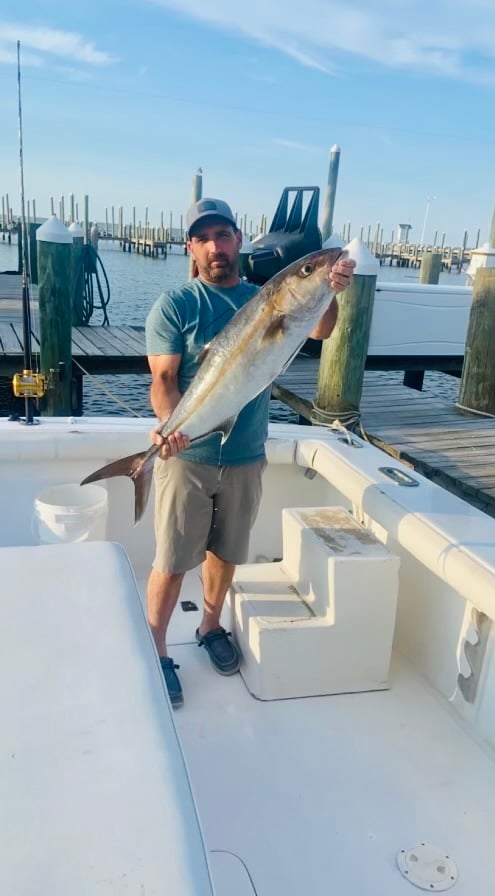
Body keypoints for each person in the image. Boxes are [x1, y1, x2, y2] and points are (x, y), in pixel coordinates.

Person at [145, 197, 355, 708]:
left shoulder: (268, 298)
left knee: (227, 552)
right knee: (172, 561)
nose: (217, 246)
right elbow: (164, 380)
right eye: (205, 238)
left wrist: (329, 288)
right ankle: (154, 651)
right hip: (188, 457)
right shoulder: (175, 305)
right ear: (191, 248)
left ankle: (210, 626)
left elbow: (321, 330)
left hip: (245, 453)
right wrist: (170, 428)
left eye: (225, 234)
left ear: (240, 240)